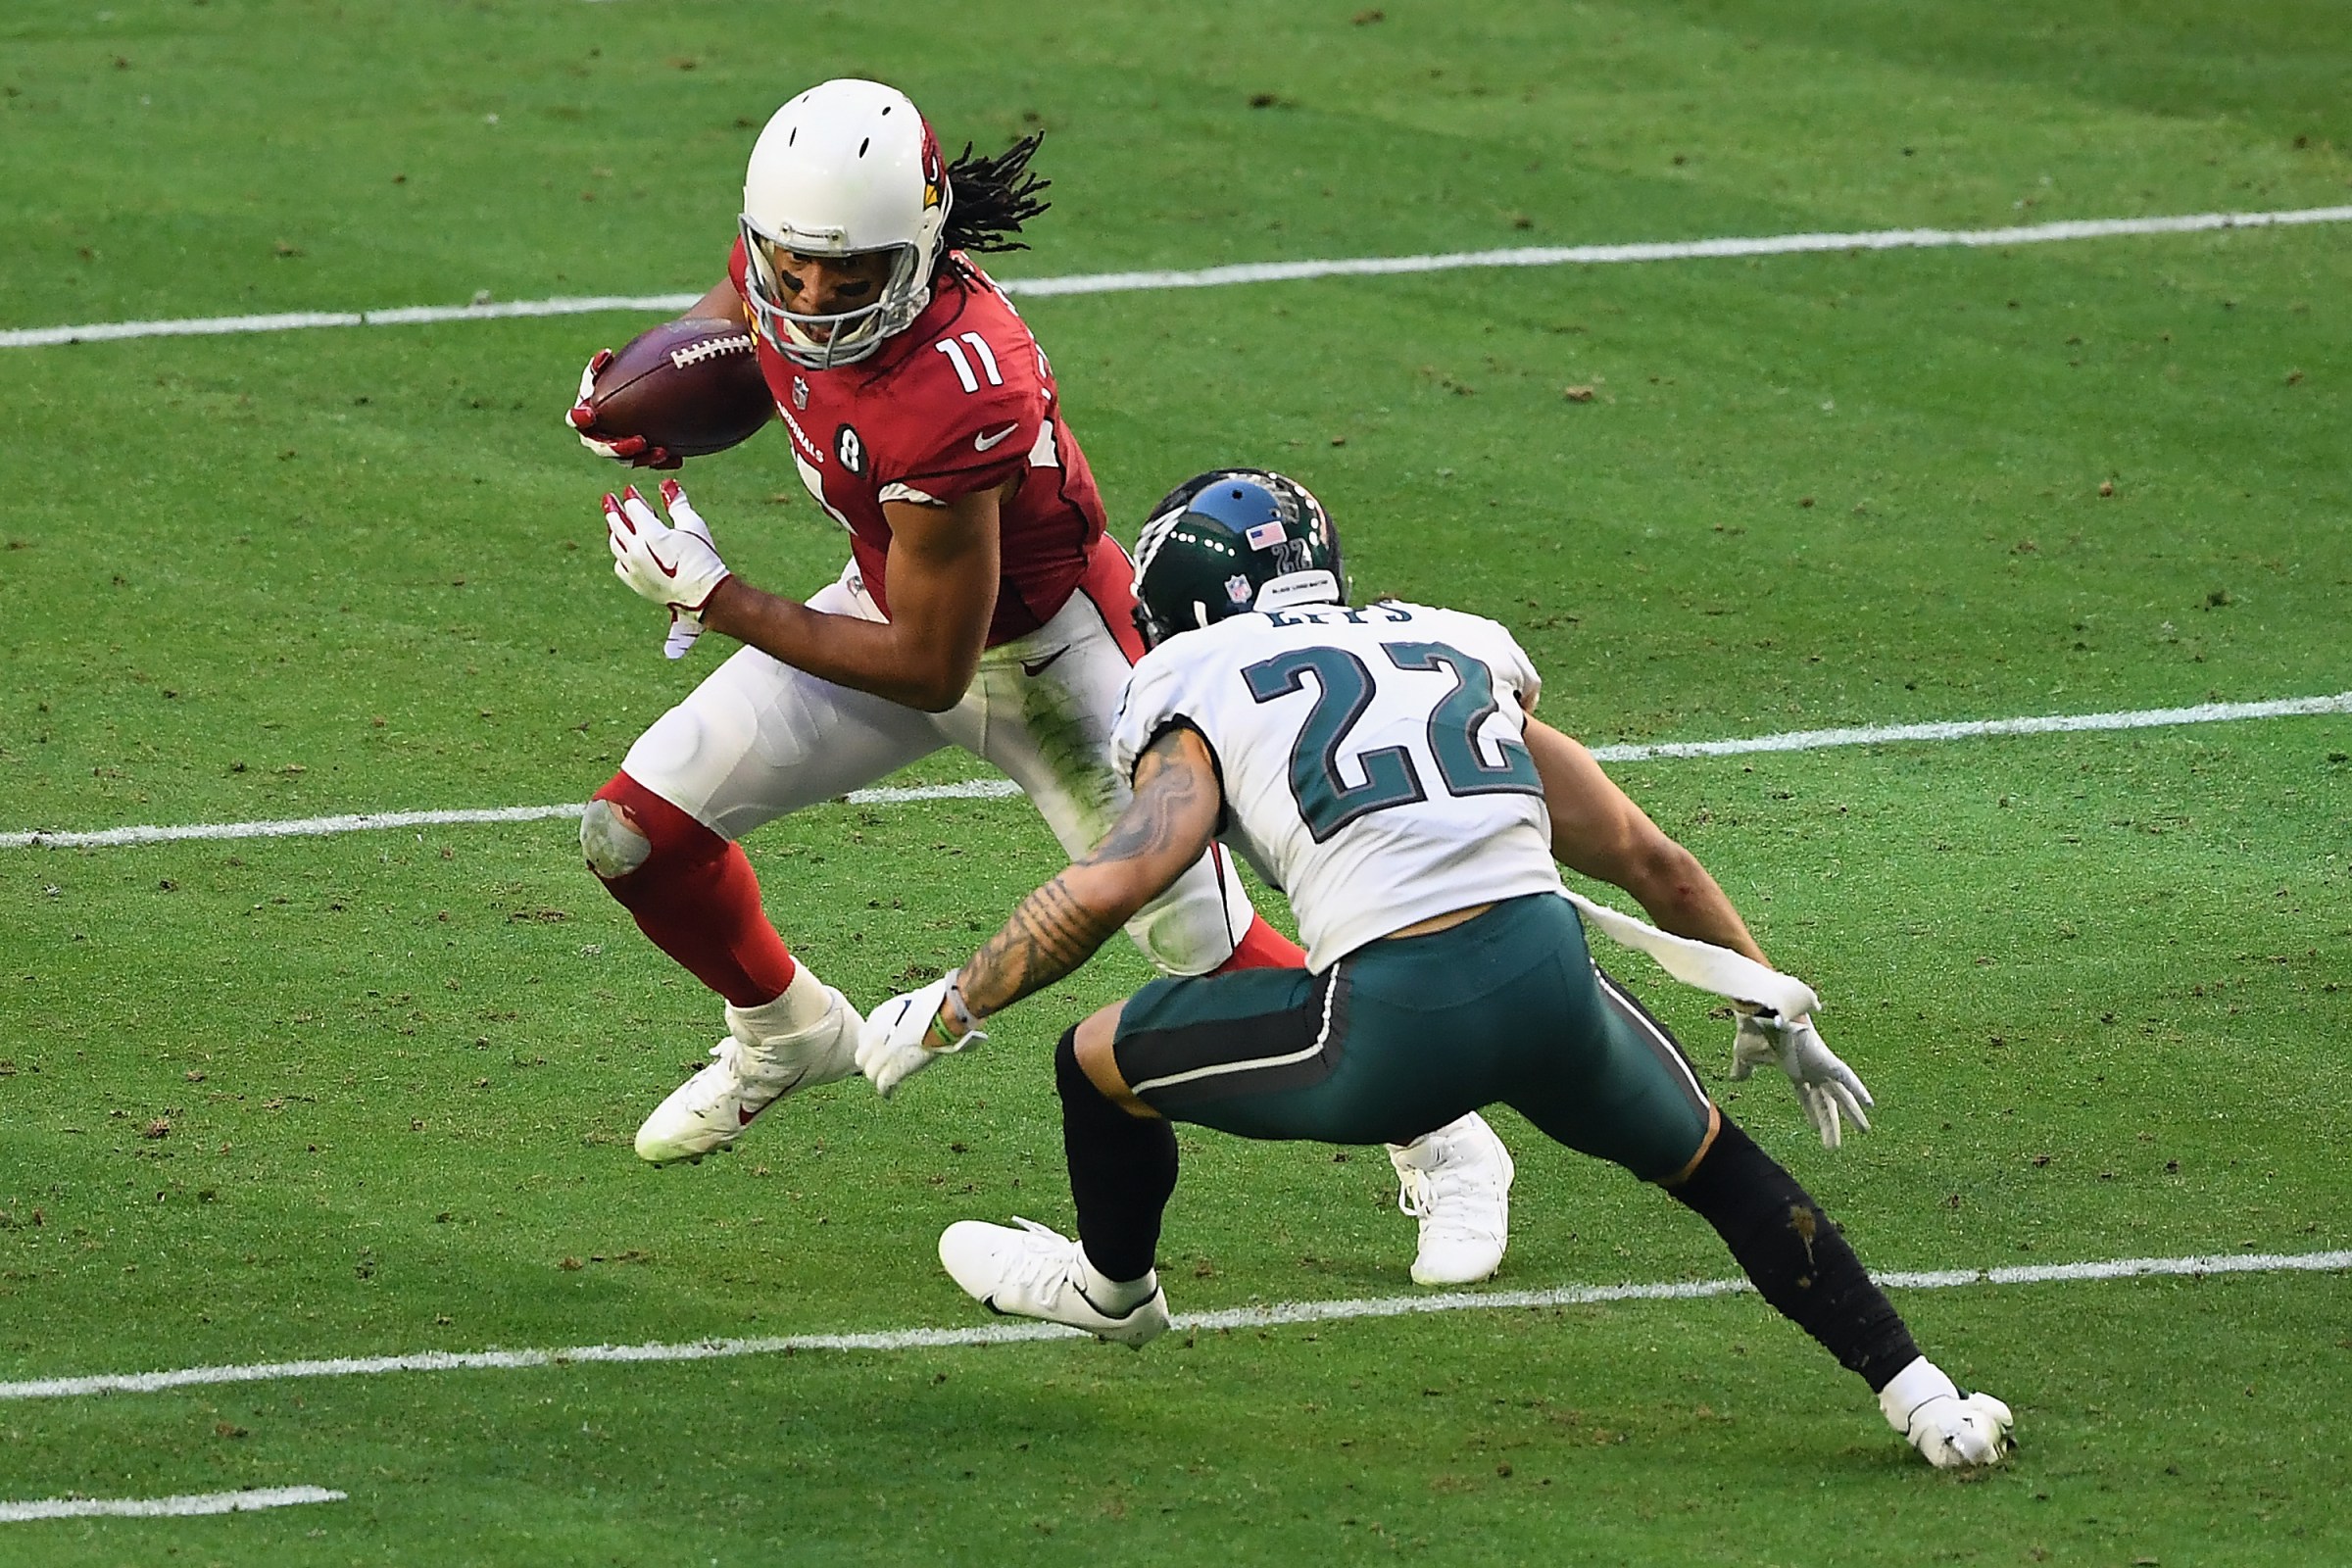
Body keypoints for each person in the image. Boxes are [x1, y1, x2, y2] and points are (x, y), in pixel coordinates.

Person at [852, 468, 2017, 1470]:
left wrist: (956, 1003)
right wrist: (1769, 994)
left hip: (1389, 1030)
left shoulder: (1195, 684)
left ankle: (1112, 1292)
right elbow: (1650, 859)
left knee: (1094, 1057)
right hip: (1553, 984)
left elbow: (1119, 879)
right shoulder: (1452, 643)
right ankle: (1928, 1401)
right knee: (1720, 1167)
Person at [565, 78, 1514, 1284]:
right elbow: (742, 344)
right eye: (789, 264)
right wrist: (650, 400)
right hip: (897, 601)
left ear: (915, 250)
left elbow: (929, 664)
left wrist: (719, 600)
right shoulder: (800, 257)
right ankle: (786, 1031)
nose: (810, 299)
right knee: (634, 833)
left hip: (1062, 663)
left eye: (846, 277)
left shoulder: (965, 385)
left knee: (1203, 945)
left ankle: (1445, 1131)